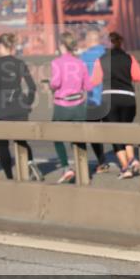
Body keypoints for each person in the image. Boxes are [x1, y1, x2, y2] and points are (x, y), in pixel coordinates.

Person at [90, 32, 140, 179]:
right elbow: (139, 77)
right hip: (128, 98)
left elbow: (94, 80)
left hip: (110, 99)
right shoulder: (129, 58)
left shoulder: (101, 60)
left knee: (115, 133)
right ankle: (132, 159)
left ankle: (125, 167)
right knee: (125, 129)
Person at [0, 33, 43, 181]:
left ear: (0, 47)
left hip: (1, 108)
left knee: (2, 144)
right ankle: (30, 164)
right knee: (21, 141)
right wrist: (28, 103)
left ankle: (9, 176)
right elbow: (32, 86)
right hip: (20, 107)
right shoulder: (20, 63)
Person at [49, 31, 91, 184]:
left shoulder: (56, 63)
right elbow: (88, 85)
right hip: (79, 105)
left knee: (56, 135)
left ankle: (66, 168)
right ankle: (82, 170)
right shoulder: (81, 63)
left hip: (62, 105)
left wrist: (50, 85)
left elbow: (55, 83)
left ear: (61, 46)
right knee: (79, 138)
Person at [80, 28, 111, 172]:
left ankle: (102, 161)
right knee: (117, 130)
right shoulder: (108, 54)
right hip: (111, 98)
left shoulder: (84, 57)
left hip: (93, 100)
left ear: (89, 41)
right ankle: (128, 160)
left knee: (92, 132)